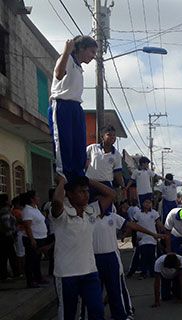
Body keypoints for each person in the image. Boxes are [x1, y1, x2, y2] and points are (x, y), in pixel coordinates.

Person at [51, 175, 124, 320]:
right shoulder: (61, 214)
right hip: (66, 274)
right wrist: (62, 182)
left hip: (90, 272)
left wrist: (88, 180)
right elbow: (57, 202)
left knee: (97, 313)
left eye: (86, 191)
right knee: (68, 317)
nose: (86, 194)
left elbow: (111, 193)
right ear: (70, 194)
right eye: (81, 191)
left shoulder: (91, 211)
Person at [91, 203, 161, 320]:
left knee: (116, 290)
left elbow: (132, 225)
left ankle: (122, 318)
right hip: (92, 258)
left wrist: (153, 234)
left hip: (111, 256)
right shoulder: (87, 216)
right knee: (93, 293)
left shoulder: (113, 216)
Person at [49, 36, 98, 182]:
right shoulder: (68, 58)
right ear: (81, 48)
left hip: (76, 107)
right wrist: (66, 52)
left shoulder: (78, 66)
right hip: (62, 105)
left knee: (79, 146)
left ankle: (78, 176)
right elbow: (58, 74)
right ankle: (65, 177)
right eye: (92, 52)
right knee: (64, 145)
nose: (93, 56)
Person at [86, 125, 125, 201]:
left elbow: (117, 173)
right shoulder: (92, 148)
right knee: (89, 208)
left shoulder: (116, 154)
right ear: (102, 136)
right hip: (90, 183)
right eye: (109, 135)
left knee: (105, 209)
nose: (112, 137)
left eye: (114, 135)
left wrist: (123, 186)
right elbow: (83, 162)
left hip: (106, 184)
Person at [21, 191, 50, 288]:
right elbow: (28, 227)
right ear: (32, 199)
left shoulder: (35, 209)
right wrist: (32, 239)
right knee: (31, 260)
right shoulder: (27, 210)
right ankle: (30, 281)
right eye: (36, 196)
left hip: (40, 238)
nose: (39, 198)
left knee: (37, 260)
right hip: (33, 238)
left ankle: (38, 278)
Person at [132, 198, 164, 278]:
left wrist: (164, 231)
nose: (148, 204)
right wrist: (133, 237)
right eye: (146, 202)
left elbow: (159, 224)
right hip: (142, 239)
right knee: (143, 256)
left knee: (152, 256)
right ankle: (143, 273)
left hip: (152, 238)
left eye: (149, 202)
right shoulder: (138, 213)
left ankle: (152, 272)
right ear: (142, 204)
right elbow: (133, 225)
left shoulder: (155, 213)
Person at [0, 194, 19, 281]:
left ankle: (5, 274)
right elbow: (6, 224)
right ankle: (15, 273)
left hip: (4, 236)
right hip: (6, 236)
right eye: (8, 199)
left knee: (5, 256)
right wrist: (14, 228)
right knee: (10, 255)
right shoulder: (5, 210)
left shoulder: (5, 210)